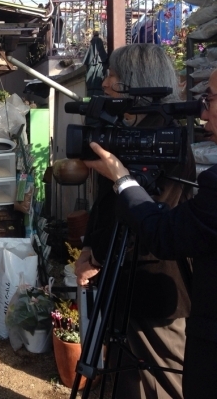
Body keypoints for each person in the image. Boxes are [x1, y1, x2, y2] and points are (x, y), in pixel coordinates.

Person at [82, 68, 217, 399]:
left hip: (157, 290)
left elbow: (162, 227)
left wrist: (122, 180)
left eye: (210, 99)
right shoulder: (130, 134)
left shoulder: (164, 141)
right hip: (132, 290)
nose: (203, 109)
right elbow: (104, 210)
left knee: (158, 381)